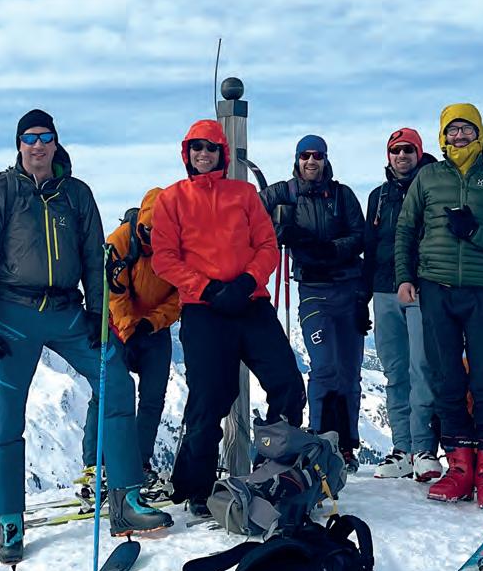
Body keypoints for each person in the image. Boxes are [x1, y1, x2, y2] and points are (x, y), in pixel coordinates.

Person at [0, 108, 172, 563]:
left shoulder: (77, 195)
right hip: (14, 312)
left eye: (45, 137)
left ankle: (126, 498)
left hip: (67, 311)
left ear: (56, 143)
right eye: (29, 138)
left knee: (116, 380)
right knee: (9, 415)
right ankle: (9, 516)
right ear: (19, 145)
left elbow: (95, 258)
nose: (38, 145)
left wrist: (99, 313)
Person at [151, 120, 306, 520]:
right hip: (204, 309)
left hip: (250, 303)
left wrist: (247, 281)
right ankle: (197, 488)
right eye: (197, 147)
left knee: (288, 384)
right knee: (209, 398)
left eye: (211, 148)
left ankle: (274, 471)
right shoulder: (172, 199)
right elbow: (164, 258)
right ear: (187, 152)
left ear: (221, 153)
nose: (204, 154)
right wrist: (205, 288)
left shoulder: (244, 194)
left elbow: (267, 245)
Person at [394, 103, 483, 510]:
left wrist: (475, 231)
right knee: (447, 380)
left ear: (479, 133)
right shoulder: (429, 177)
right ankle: (459, 468)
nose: (459, 136)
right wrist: (405, 277)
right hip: (435, 289)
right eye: (452, 130)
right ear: (442, 136)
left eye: (466, 129)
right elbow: (406, 229)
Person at [260, 136, 367, 471]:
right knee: (323, 367)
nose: (311, 161)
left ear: (325, 159)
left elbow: (360, 236)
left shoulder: (342, 195)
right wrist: (279, 229)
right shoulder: (284, 192)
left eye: (317, 156)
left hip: (348, 290)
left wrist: (328, 249)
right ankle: (321, 437)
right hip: (313, 292)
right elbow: (249, 210)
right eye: (305, 155)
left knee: (349, 374)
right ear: (297, 159)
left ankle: (345, 445)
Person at [82, 187, 181, 493]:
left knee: (152, 397)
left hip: (154, 329)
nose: (154, 238)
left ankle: (139, 464)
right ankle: (95, 467)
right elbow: (114, 292)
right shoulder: (120, 242)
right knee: (105, 392)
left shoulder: (182, 245)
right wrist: (129, 327)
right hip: (117, 327)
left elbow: (183, 295)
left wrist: (152, 322)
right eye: (150, 231)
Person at [363, 127, 441, 482]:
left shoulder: (433, 189)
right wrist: (362, 297)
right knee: (395, 371)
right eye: (395, 150)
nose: (402, 156)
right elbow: (370, 247)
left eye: (408, 149)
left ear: (419, 153)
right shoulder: (379, 197)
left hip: (421, 288)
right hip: (384, 291)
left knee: (421, 368)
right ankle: (403, 449)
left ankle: (424, 447)